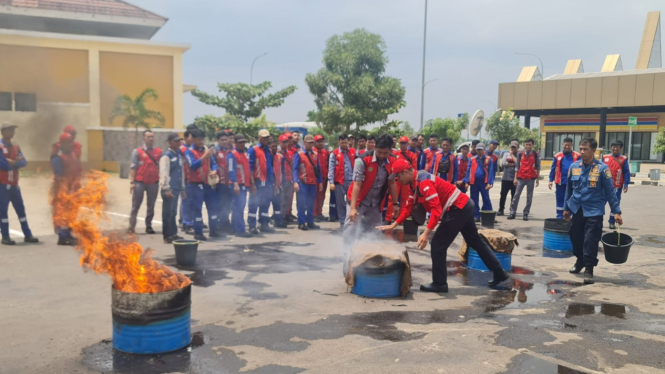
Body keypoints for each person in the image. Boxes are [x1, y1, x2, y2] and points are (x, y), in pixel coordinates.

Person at [377, 159, 510, 292]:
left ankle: (440, 283)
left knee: (437, 244)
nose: (397, 180)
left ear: (405, 172)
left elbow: (436, 210)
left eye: (398, 176)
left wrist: (426, 233)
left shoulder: (424, 183)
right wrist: (393, 224)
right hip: (464, 205)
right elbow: (408, 207)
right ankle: (500, 274)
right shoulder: (414, 183)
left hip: (458, 208)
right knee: (475, 241)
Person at [564, 138, 623, 284]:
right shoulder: (574, 167)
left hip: (594, 210)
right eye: (581, 149)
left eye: (585, 149)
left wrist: (616, 212)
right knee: (575, 237)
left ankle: (589, 269)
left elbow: (610, 192)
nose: (582, 152)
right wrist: (566, 208)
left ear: (593, 151)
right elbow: (568, 189)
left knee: (590, 240)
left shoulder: (603, 169)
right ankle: (580, 260)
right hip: (577, 208)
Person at [344, 134, 399, 269]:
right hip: (358, 201)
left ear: (390, 150)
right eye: (379, 152)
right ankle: (347, 260)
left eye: (385, 152)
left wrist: (396, 204)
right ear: (375, 147)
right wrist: (353, 208)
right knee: (351, 230)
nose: (381, 155)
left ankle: (368, 262)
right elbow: (357, 184)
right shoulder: (362, 160)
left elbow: (392, 182)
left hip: (375, 203)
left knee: (374, 232)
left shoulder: (393, 160)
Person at [0, 122, 38, 245]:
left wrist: (13, 162)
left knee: (21, 209)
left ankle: (28, 234)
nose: (12, 133)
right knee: (3, 211)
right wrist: (14, 162)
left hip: (14, 185)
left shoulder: (16, 147)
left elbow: (24, 162)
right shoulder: (0, 146)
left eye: (13, 130)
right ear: (3, 132)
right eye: (10, 130)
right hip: (2, 184)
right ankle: (5, 236)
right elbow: (3, 165)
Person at [184, 130, 220, 241]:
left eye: (202, 139)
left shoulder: (206, 150)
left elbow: (214, 164)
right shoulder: (189, 152)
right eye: (199, 140)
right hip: (195, 185)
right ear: (193, 140)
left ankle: (213, 230)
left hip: (208, 185)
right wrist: (205, 156)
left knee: (213, 208)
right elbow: (193, 166)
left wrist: (214, 171)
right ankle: (198, 233)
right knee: (197, 209)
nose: (201, 142)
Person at [50, 132, 81, 245]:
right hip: (63, 188)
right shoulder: (57, 156)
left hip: (72, 187)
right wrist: (65, 189)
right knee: (63, 213)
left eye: (71, 142)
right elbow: (59, 174)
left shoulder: (72, 153)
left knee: (71, 212)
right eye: (68, 142)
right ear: (62, 143)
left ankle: (68, 233)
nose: (71, 144)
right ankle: (62, 237)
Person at [129, 130, 161, 235]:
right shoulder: (137, 152)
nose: (151, 139)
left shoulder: (158, 152)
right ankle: (131, 227)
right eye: (148, 137)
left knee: (151, 205)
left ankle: (149, 226)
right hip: (139, 182)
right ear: (144, 138)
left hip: (153, 183)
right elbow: (133, 167)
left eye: (152, 136)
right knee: (135, 205)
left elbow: (162, 166)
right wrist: (132, 182)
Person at [248, 129, 277, 234]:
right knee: (253, 205)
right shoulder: (253, 150)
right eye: (264, 137)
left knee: (265, 205)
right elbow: (250, 168)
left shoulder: (269, 151)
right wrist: (252, 184)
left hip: (268, 184)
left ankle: (264, 224)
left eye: (267, 137)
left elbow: (271, 168)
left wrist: (274, 183)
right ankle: (252, 226)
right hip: (257, 183)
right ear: (259, 138)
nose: (266, 139)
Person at [159, 133, 186, 243]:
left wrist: (183, 188)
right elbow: (164, 172)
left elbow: (182, 172)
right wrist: (166, 188)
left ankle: (173, 234)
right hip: (169, 188)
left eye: (179, 141)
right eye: (176, 141)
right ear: (169, 142)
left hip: (177, 188)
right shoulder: (167, 156)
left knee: (173, 212)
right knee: (167, 213)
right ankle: (167, 236)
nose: (178, 143)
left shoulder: (178, 155)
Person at [384, 136, 417, 224]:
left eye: (404, 143)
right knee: (392, 198)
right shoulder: (395, 154)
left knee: (404, 199)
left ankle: (400, 218)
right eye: (401, 143)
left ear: (407, 143)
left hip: (406, 180)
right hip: (396, 179)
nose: (403, 145)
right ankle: (388, 218)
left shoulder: (412, 155)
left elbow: (413, 168)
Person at [293, 135, 323, 230]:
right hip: (303, 183)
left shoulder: (315, 154)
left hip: (312, 183)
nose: (311, 144)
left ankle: (310, 222)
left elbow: (318, 169)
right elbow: (295, 169)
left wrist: (320, 182)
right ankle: (301, 222)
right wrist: (295, 182)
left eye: (312, 143)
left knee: (311, 204)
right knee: (301, 204)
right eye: (309, 143)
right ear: (304, 142)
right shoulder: (299, 153)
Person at [508, 139, 540, 221]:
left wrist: (537, 179)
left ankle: (526, 213)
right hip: (521, 177)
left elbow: (538, 167)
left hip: (530, 178)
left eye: (529, 144)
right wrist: (515, 178)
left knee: (529, 197)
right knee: (516, 195)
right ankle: (512, 212)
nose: (528, 146)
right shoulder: (520, 154)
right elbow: (517, 167)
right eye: (526, 144)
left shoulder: (535, 154)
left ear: (533, 145)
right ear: (524, 145)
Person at [549, 137, 580, 219]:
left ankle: (571, 216)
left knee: (572, 199)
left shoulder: (577, 156)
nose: (567, 147)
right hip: (560, 182)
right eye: (565, 145)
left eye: (569, 145)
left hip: (574, 182)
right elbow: (553, 169)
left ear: (572, 145)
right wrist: (550, 180)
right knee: (560, 199)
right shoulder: (557, 156)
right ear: (563, 145)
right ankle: (559, 216)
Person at [602, 140, 630, 230]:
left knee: (615, 204)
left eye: (617, 147)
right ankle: (598, 222)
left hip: (617, 186)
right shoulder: (605, 157)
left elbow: (626, 172)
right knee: (600, 204)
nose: (615, 149)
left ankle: (611, 222)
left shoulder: (623, 159)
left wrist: (626, 184)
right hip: (604, 186)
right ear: (611, 147)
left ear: (620, 148)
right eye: (613, 147)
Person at [329, 134, 355, 229]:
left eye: (346, 142)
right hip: (339, 182)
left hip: (351, 182)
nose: (344, 144)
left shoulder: (353, 152)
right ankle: (342, 222)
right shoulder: (334, 153)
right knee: (340, 204)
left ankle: (351, 223)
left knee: (352, 202)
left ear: (348, 142)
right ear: (339, 142)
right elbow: (331, 168)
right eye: (342, 142)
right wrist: (331, 182)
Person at [463, 143, 494, 222]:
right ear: (476, 150)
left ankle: (488, 215)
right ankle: (476, 215)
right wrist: (467, 182)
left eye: (481, 149)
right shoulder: (472, 159)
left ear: (484, 150)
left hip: (484, 182)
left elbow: (491, 171)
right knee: (474, 200)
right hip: (474, 182)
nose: (479, 151)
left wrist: (490, 183)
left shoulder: (488, 159)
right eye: (478, 150)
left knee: (486, 199)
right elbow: (468, 171)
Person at [230, 134, 252, 237]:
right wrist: (235, 184)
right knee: (238, 208)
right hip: (238, 185)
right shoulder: (232, 155)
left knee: (239, 207)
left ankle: (235, 228)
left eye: (243, 142)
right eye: (240, 142)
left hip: (244, 185)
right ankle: (240, 230)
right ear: (235, 143)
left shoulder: (244, 154)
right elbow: (231, 171)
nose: (242, 144)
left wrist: (250, 184)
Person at [214, 130, 234, 234]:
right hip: (219, 184)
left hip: (229, 183)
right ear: (217, 141)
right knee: (220, 204)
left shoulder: (230, 151)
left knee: (228, 204)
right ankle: (220, 224)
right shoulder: (215, 152)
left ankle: (225, 222)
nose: (224, 141)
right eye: (222, 140)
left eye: (226, 139)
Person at [180, 126, 197, 232]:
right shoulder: (182, 149)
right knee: (186, 201)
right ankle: (186, 223)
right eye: (192, 137)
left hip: (193, 178)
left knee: (191, 201)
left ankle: (190, 221)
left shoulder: (194, 149)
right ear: (186, 138)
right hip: (185, 178)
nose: (193, 139)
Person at [269, 138, 288, 229]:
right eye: (272, 146)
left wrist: (283, 182)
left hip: (279, 185)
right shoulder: (267, 156)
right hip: (269, 186)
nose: (274, 148)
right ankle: (263, 222)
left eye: (275, 146)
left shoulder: (280, 157)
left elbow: (283, 170)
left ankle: (278, 220)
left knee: (277, 204)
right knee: (265, 204)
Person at [498, 140, 519, 216]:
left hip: (514, 179)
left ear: (518, 147)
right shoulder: (506, 154)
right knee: (503, 194)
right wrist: (513, 164)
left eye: (515, 147)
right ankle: (501, 209)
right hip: (505, 178)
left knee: (514, 196)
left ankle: (512, 210)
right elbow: (503, 163)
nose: (513, 149)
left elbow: (518, 164)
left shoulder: (519, 155)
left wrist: (512, 157)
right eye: (512, 147)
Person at [313, 135, 330, 222]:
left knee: (321, 197)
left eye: (322, 141)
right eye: (318, 141)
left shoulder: (325, 152)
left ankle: (319, 213)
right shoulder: (313, 152)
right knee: (315, 197)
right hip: (315, 179)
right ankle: (314, 214)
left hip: (324, 178)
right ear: (314, 142)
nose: (320, 143)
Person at [281, 133, 296, 223]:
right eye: (284, 142)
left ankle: (285, 215)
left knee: (287, 200)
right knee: (281, 200)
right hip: (281, 180)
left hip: (289, 180)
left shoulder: (290, 153)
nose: (286, 143)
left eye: (287, 141)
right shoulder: (276, 153)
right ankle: (280, 216)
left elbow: (293, 166)